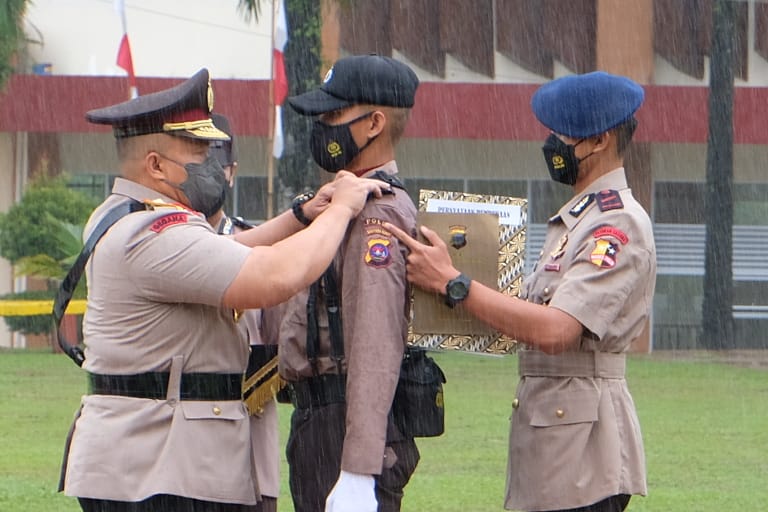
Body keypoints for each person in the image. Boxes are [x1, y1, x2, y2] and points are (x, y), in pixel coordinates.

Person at [58, 68, 390, 512]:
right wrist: (343, 207)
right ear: (155, 164)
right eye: (196, 151)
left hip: (146, 463)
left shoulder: (125, 213)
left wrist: (302, 215)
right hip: (158, 469)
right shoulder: (153, 234)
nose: (212, 162)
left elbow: (219, 252)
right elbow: (275, 277)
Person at [384, 71, 656, 512]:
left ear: (599, 140)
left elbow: (556, 331)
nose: (552, 144)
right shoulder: (578, 219)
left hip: (582, 451)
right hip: (556, 437)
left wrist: (455, 284)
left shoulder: (615, 224)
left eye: (561, 132)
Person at [276, 54, 421, 512]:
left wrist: (358, 468)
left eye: (334, 116)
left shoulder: (373, 212)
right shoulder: (344, 201)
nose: (323, 126)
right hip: (323, 418)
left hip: (342, 422)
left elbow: (375, 342)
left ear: (375, 122)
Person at [207, 113, 280, 512]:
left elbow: (279, 348)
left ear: (231, 172)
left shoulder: (262, 251)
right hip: (178, 458)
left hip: (249, 451)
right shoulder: (154, 247)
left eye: (214, 169)